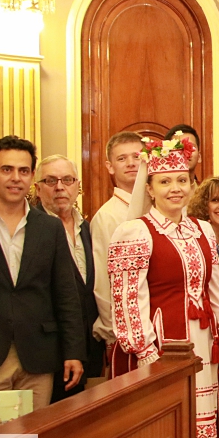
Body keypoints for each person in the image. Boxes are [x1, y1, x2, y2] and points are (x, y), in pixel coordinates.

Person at [107, 132, 219, 438]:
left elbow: (213, 290)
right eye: (165, 181)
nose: (175, 188)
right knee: (164, 432)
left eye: (182, 180)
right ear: (149, 188)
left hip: (202, 347)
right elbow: (127, 304)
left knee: (202, 428)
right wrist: (151, 359)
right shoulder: (135, 232)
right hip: (161, 352)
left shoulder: (201, 230)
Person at [0, 136, 85, 410]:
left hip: (39, 354)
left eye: (23, 171)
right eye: (7, 169)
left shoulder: (49, 228)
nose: (15, 178)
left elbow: (65, 293)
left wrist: (74, 352)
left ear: (32, 176)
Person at [34, 155, 104, 398]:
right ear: (38, 188)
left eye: (67, 180)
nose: (60, 187)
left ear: (78, 186)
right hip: (51, 352)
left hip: (90, 348)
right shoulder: (32, 229)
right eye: (51, 180)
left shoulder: (88, 228)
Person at [91, 131, 142, 353]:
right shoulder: (107, 216)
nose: (131, 163)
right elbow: (102, 280)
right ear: (110, 166)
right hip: (123, 331)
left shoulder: (160, 207)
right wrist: (113, 333)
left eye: (137, 156)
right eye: (122, 158)